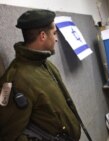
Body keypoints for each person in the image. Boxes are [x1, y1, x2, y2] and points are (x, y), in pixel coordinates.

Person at [0, 9, 81, 141]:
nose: (56, 39)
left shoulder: (45, 64)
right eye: (54, 33)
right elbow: (9, 134)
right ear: (43, 36)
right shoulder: (15, 79)